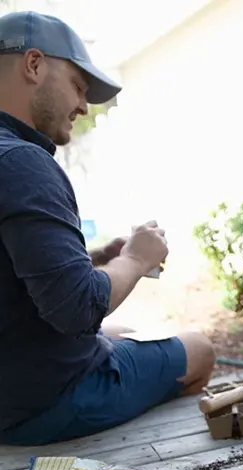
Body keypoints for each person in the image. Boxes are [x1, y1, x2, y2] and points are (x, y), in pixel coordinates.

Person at [0, 12, 216, 446]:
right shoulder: (23, 162)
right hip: (44, 404)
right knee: (201, 349)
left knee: (127, 333)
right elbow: (79, 309)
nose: (83, 105)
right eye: (78, 86)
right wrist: (136, 259)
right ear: (35, 65)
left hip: (15, 376)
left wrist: (99, 257)